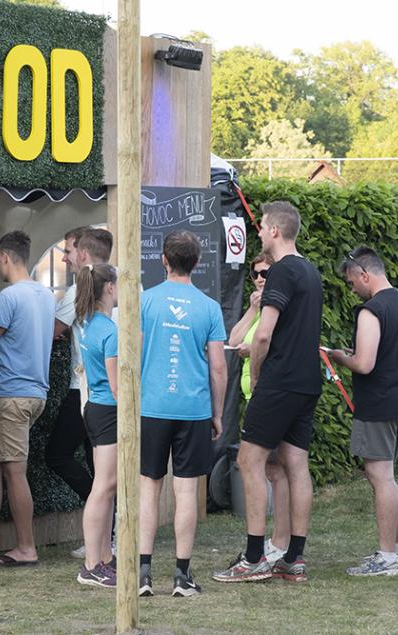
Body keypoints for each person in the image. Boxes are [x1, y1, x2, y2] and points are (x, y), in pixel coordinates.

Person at [213, 200, 322, 584]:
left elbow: (263, 335)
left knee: (249, 461)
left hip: (279, 382)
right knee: (295, 464)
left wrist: (257, 376)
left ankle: (254, 557)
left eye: (261, 226)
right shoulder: (310, 270)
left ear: (275, 230)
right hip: (307, 382)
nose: (258, 231)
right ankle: (294, 559)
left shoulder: (281, 271)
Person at [139, 230, 227, 597]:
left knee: (149, 487)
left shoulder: (145, 301)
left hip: (152, 406)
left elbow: (133, 353)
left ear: (163, 260)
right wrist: (217, 414)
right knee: (186, 490)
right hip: (193, 410)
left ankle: (143, 574)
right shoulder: (209, 307)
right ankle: (181, 575)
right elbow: (218, 367)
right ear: (197, 262)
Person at [329, 246, 398, 576]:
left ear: (364, 275)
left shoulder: (372, 310)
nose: (351, 289)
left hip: (378, 404)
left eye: (352, 282)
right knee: (387, 477)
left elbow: (365, 363)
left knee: (380, 477)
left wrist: (340, 357)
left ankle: (387, 557)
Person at [0, 231, 55, 566]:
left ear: (4, 257)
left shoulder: (9, 297)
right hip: (35, 394)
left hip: (10, 396)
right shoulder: (46, 295)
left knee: (14, 472)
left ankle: (26, 548)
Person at [45, 226, 113, 559]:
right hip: (112, 389)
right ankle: (106, 534)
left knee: (57, 455)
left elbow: (53, 329)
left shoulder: (82, 287)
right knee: (101, 466)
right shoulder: (126, 282)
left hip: (86, 389)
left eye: (69, 251)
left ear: (83, 253)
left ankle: (103, 527)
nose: (65, 258)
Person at [228, 252, 290, 565]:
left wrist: (252, 351)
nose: (260, 279)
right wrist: (252, 309)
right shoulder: (260, 308)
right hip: (254, 397)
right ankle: (277, 540)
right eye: (255, 274)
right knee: (270, 469)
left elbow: (272, 342)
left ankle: (279, 540)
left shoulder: (279, 306)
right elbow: (234, 338)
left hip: (269, 395)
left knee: (276, 470)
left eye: (266, 273)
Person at [73, 264, 119, 588]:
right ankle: (91, 565)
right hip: (108, 411)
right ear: (110, 288)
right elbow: (118, 387)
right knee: (102, 487)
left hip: (94, 408)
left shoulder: (88, 323)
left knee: (106, 487)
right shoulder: (110, 330)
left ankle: (104, 558)